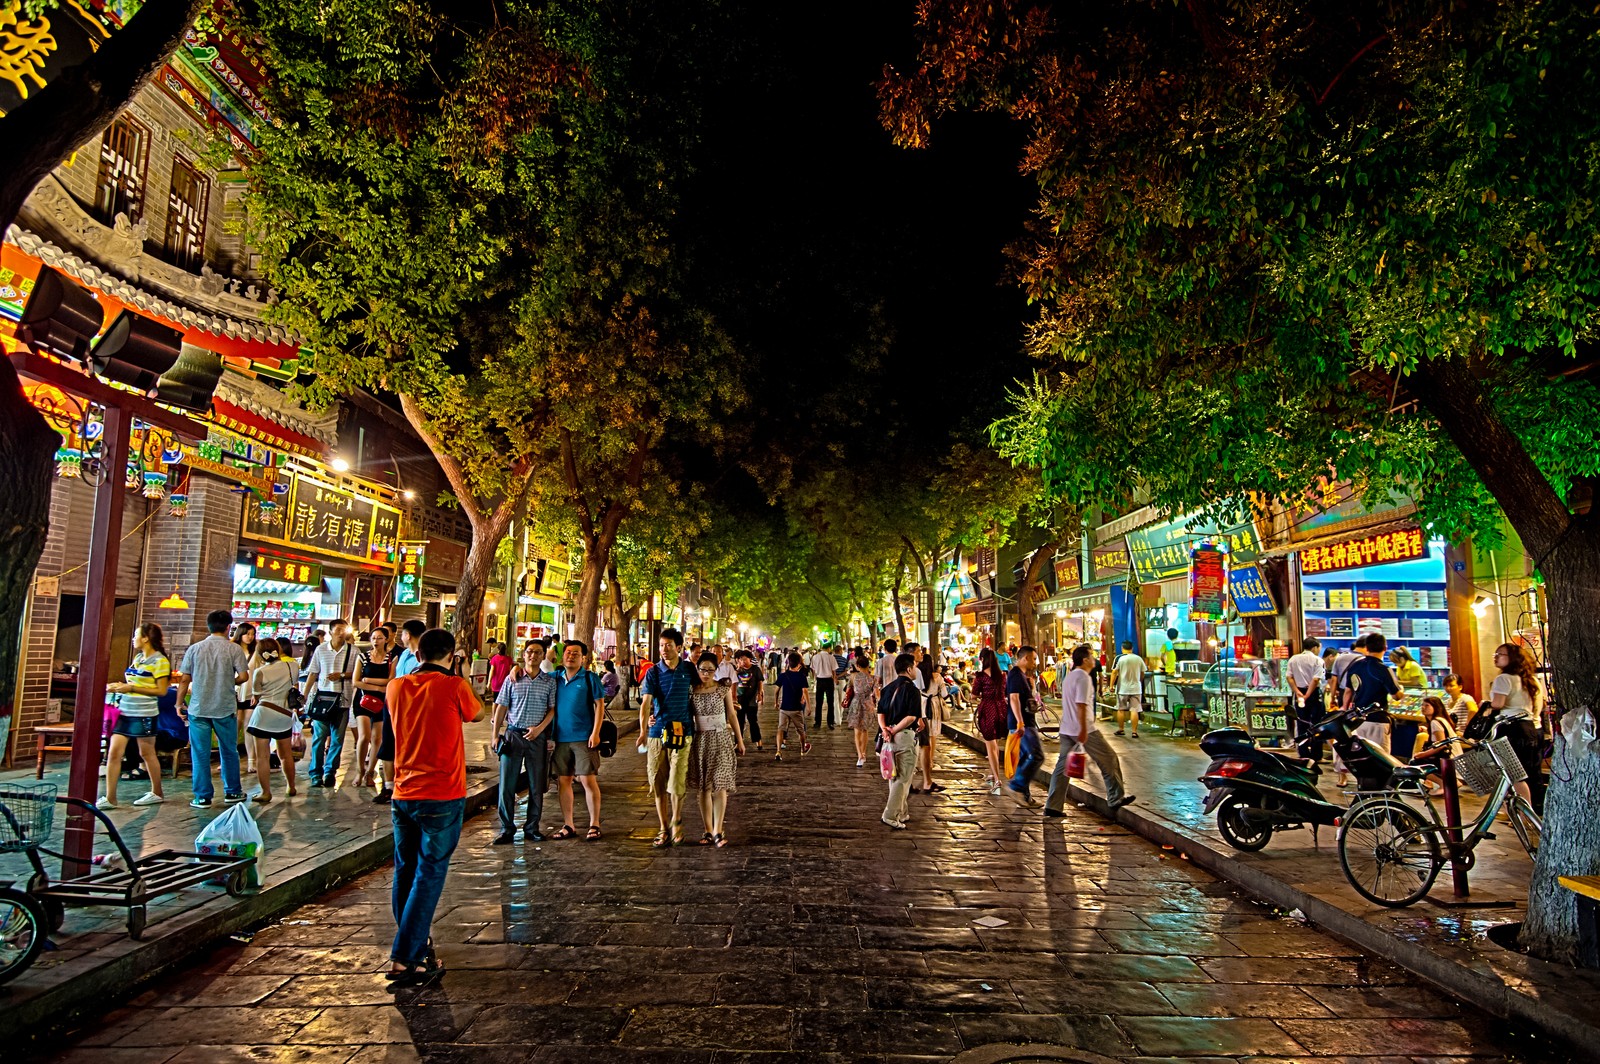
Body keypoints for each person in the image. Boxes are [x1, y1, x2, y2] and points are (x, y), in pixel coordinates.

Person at [383, 627, 482, 987]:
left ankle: (418, 951)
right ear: (451, 655)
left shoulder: (396, 686)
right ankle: (406, 956)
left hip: (403, 792)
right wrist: (463, 676)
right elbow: (477, 714)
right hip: (442, 792)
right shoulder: (455, 686)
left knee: (405, 871)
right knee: (429, 873)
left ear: (417, 652)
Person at [1045, 644, 1133, 815]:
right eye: (1092, 657)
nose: (1094, 660)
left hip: (1066, 729)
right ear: (1085, 660)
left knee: (1062, 768)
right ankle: (1115, 797)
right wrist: (1084, 730)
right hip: (1083, 729)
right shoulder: (1083, 678)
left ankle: (1053, 805)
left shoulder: (1070, 677)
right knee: (1109, 759)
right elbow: (1081, 705)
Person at [178, 609, 251, 808]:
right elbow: (244, 677)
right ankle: (232, 792)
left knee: (199, 753)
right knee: (228, 751)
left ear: (209, 626)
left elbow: (185, 679)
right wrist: (229, 681)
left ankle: (202, 796)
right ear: (229, 627)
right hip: (224, 707)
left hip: (198, 708)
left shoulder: (194, 649)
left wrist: (178, 703)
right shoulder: (234, 649)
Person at [491, 641, 557, 844]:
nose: (533, 656)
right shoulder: (512, 680)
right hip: (513, 735)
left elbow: (552, 709)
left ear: (543, 655)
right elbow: (501, 706)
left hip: (536, 737)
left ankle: (532, 827)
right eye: (530, 652)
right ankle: (506, 829)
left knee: (536, 784)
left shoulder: (549, 682)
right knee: (507, 785)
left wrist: (540, 729)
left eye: (538, 653)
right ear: (524, 654)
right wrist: (495, 734)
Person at [100, 624, 172, 808]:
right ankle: (110, 797)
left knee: (146, 753)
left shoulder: (160, 661)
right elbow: (133, 680)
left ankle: (157, 792)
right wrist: (119, 686)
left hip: (144, 713)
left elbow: (161, 690)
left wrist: (130, 688)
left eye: (136, 635)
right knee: (114, 752)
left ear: (146, 638)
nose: (133, 638)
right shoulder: (139, 658)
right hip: (125, 710)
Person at [641, 629, 698, 847]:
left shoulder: (688, 669)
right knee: (658, 781)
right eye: (662, 645)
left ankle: (677, 822)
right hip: (658, 733)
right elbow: (646, 702)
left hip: (683, 731)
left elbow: (700, 690)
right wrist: (643, 730)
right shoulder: (653, 672)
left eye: (669, 645)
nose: (665, 649)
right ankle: (663, 827)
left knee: (676, 781)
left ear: (679, 647)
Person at [551, 639, 606, 841]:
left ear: (583, 658)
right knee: (563, 780)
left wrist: (595, 732)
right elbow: (534, 672)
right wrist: (515, 670)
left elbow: (599, 705)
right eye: (568, 652)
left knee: (587, 779)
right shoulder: (555, 677)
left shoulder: (590, 678)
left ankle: (595, 824)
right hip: (561, 738)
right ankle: (568, 824)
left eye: (576, 653)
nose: (571, 655)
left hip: (584, 737)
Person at [688, 651, 744, 846]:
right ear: (697, 669)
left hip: (721, 740)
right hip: (700, 740)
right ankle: (707, 830)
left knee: (719, 785)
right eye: (703, 669)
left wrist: (740, 739)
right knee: (704, 787)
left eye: (711, 670)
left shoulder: (723, 689)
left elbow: (731, 715)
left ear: (716, 670)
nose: (706, 673)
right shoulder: (691, 690)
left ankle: (719, 830)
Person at [1487, 643, 1546, 810]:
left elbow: (1498, 704)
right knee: (1531, 772)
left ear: (1512, 658)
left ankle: (1521, 812)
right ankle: (1535, 808)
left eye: (1501, 654)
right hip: (1532, 728)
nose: (1496, 657)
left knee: (1512, 773)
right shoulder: (1532, 680)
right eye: (1495, 653)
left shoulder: (1503, 678)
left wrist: (1487, 705)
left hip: (1511, 728)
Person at [302, 618, 359, 789]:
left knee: (337, 739)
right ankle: (315, 773)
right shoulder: (321, 649)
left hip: (343, 700)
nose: (342, 632)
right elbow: (313, 673)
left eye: (345, 629)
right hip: (322, 700)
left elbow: (357, 674)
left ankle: (330, 772)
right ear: (331, 631)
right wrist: (304, 696)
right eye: (339, 629)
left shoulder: (353, 651)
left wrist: (341, 675)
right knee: (319, 738)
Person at [246, 639, 300, 803]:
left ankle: (266, 792)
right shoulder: (293, 665)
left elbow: (256, 695)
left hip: (263, 715)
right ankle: (291, 786)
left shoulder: (260, 671)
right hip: (283, 715)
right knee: (285, 755)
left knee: (262, 757)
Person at [878, 652, 923, 829]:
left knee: (894, 776)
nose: (916, 670)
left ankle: (902, 812)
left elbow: (880, 712)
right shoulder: (912, 690)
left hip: (889, 738)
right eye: (915, 666)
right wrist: (895, 729)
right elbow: (912, 717)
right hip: (904, 736)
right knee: (903, 778)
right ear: (909, 668)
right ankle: (890, 815)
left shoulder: (888, 688)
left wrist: (886, 730)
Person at [353, 627, 397, 789]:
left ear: (386, 640)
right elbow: (356, 681)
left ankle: (370, 772)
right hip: (363, 700)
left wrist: (369, 680)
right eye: (373, 638)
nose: (375, 641)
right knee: (364, 736)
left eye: (379, 638)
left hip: (381, 701)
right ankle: (359, 770)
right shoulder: (363, 657)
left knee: (377, 738)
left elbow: (391, 680)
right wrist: (378, 686)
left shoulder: (392, 658)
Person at [1002, 646, 1046, 807]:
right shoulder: (1014, 675)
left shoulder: (1021, 676)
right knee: (1036, 756)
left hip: (1025, 722)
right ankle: (1016, 786)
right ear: (1025, 658)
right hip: (1023, 724)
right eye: (1034, 659)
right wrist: (1020, 722)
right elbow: (1013, 698)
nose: (1035, 662)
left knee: (1025, 757)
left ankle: (1025, 796)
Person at [971, 647, 1009, 796]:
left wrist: (980, 697)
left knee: (990, 747)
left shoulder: (980, 676)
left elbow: (973, 695)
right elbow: (1004, 692)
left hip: (988, 710)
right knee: (995, 745)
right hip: (1002, 710)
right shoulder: (1002, 675)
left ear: (982, 660)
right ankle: (993, 774)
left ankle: (997, 780)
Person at [1286, 637, 1325, 760]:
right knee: (1317, 723)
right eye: (1319, 647)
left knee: (1301, 722)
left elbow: (1289, 677)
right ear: (1314, 647)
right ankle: (1316, 755)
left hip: (1299, 693)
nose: (1319, 650)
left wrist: (1298, 692)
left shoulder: (1293, 659)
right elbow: (1315, 679)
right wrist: (1308, 694)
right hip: (1313, 693)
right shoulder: (1317, 660)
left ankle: (1303, 753)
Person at [913, 655, 946, 794]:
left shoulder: (917, 675)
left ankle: (918, 765)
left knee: (920, 738)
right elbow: (944, 694)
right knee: (932, 736)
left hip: (920, 706)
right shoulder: (937, 677)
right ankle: (930, 762)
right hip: (934, 707)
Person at [232, 623, 261, 772]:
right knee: (234, 727)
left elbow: (259, 671)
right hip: (235, 692)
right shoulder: (232, 648)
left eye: (252, 634)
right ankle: (228, 760)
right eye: (247, 634)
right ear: (240, 634)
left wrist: (258, 692)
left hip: (251, 693)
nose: (250, 637)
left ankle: (251, 761)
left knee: (249, 727)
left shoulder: (256, 650)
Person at [772, 651, 812, 761]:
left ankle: (778, 751)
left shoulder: (783, 676)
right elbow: (805, 691)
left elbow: (776, 690)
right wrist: (808, 706)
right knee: (801, 730)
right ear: (799, 664)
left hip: (784, 708)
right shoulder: (801, 676)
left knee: (781, 729)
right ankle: (802, 749)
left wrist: (776, 702)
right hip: (796, 708)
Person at [844, 652, 880, 767]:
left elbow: (847, 691)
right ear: (868, 665)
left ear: (858, 666)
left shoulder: (853, 676)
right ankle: (864, 753)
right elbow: (877, 694)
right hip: (868, 704)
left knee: (857, 731)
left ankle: (859, 755)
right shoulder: (873, 678)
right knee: (865, 730)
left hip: (856, 703)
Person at [1110, 641, 1146, 738]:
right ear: (1132, 648)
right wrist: (1139, 681)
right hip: (1136, 688)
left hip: (1123, 688)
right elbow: (1143, 673)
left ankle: (1121, 729)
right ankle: (1134, 732)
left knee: (1121, 709)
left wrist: (1111, 686)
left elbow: (1114, 672)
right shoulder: (1138, 659)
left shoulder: (1119, 658)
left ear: (1122, 648)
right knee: (1134, 710)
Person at [733, 649, 766, 751]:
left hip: (751, 699)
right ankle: (738, 742)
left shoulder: (755, 669)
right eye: (741, 660)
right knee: (739, 721)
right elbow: (734, 683)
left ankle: (758, 740)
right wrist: (733, 695)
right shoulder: (738, 671)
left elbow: (760, 682)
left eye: (745, 659)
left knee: (753, 721)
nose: (743, 661)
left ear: (750, 659)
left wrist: (760, 693)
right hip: (740, 699)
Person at [809, 642, 838, 728]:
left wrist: (815, 679)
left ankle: (817, 722)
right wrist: (835, 679)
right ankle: (830, 722)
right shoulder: (831, 657)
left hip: (820, 680)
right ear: (829, 648)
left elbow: (813, 670)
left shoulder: (815, 657)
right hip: (829, 680)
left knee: (819, 702)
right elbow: (834, 671)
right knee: (830, 702)